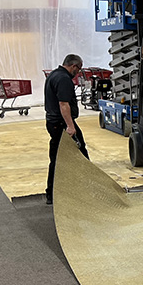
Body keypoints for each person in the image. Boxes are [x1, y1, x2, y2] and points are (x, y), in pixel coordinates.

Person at [44, 54, 90, 205]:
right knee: (79, 153)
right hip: (61, 124)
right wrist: (70, 126)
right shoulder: (64, 79)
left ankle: (53, 192)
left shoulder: (53, 75)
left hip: (54, 122)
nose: (78, 73)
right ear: (73, 66)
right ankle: (87, 187)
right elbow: (63, 104)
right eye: (79, 69)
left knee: (57, 157)